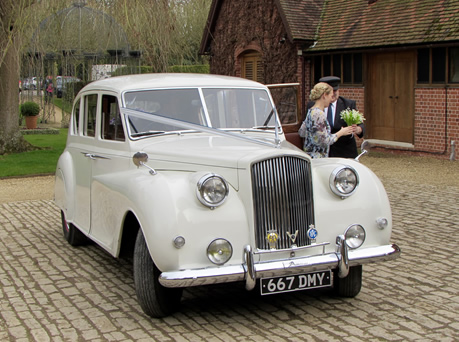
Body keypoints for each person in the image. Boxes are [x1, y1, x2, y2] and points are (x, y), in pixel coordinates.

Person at [308, 76, 365, 158]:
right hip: (322, 153)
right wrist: (341, 132)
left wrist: (357, 129)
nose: (333, 94)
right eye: (331, 91)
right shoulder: (314, 108)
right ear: (324, 94)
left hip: (344, 152)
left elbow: (360, 124)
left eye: (336, 90)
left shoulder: (348, 104)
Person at [299, 82, 353, 158]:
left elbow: (302, 132)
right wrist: (341, 133)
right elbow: (325, 141)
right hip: (318, 158)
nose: (331, 99)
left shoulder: (311, 111)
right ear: (324, 95)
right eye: (330, 96)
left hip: (308, 155)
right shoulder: (319, 114)